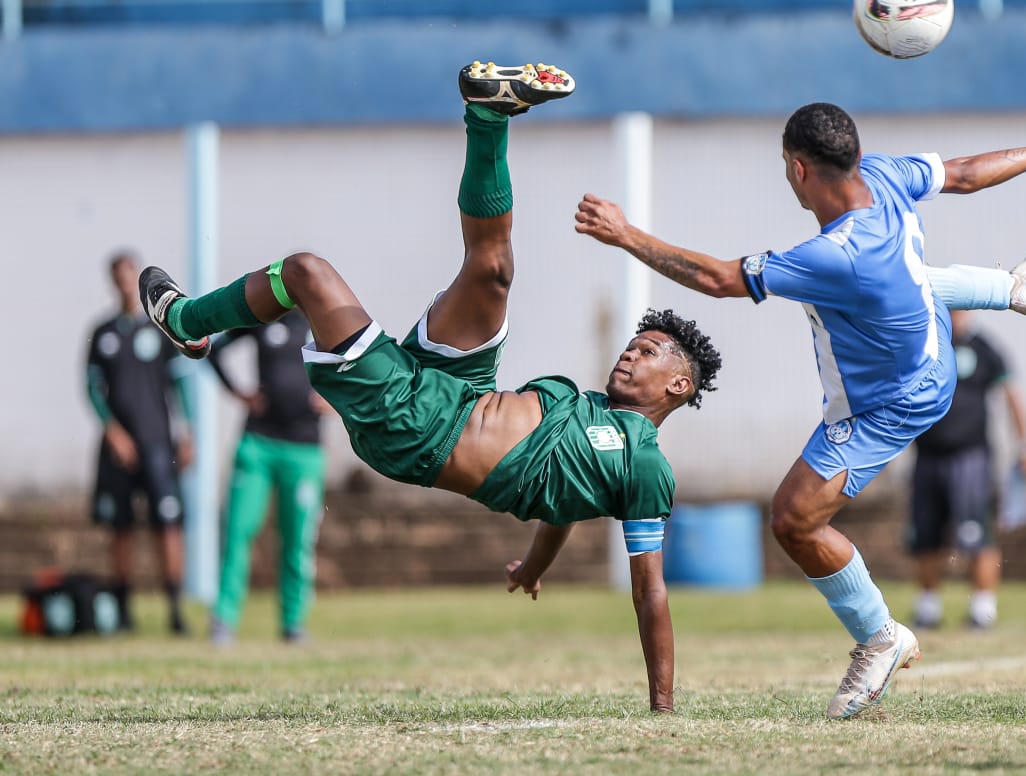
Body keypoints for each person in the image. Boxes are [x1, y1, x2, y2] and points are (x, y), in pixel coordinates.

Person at [139, 61, 721, 713]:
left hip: (417, 427)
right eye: (633, 343)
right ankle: (489, 114)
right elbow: (561, 504)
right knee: (493, 269)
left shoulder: (646, 467)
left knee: (306, 271)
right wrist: (536, 565)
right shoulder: (589, 412)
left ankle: (188, 322)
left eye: (647, 354)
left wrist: (662, 707)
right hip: (463, 388)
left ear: (676, 384)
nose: (629, 354)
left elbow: (651, 591)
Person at [575, 101, 1026, 719]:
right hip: (929, 348)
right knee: (899, 277)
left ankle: (879, 636)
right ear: (857, 156)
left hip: (888, 404)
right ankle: (1003, 288)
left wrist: (626, 234)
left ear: (799, 168)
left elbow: (722, 280)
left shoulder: (834, 257)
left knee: (793, 519)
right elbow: (966, 172)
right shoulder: (886, 176)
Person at [205, 313, 331, 646]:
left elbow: (363, 362)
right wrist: (239, 393)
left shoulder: (325, 320)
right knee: (237, 530)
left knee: (297, 538)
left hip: (305, 449)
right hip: (258, 444)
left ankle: (293, 622)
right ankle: (223, 620)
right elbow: (213, 351)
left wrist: (338, 399)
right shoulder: (263, 318)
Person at [85, 250, 193, 634]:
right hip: (119, 449)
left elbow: (180, 383)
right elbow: (93, 388)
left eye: (129, 274)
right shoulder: (103, 333)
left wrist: (188, 431)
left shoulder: (158, 331)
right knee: (121, 527)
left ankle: (176, 611)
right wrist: (113, 432)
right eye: (117, 275)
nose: (123, 281)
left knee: (169, 524)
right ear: (111, 280)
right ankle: (124, 611)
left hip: (158, 443)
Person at [907, 308, 1026, 631]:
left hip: (971, 459)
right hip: (927, 457)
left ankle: (982, 608)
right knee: (925, 535)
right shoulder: (925, 347)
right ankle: (928, 608)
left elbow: (1012, 395)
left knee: (978, 534)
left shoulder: (984, 348)